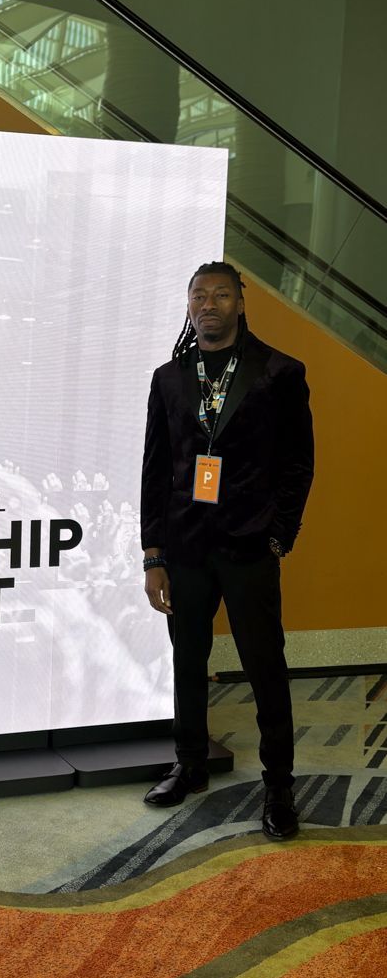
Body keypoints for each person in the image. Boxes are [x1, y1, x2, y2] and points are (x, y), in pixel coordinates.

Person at [140, 261, 314, 839]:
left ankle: (280, 785)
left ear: (240, 302)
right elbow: (157, 469)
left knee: (265, 665)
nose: (207, 303)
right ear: (188, 305)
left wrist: (278, 534)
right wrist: (153, 554)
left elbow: (298, 463)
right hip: (185, 547)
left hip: (248, 546)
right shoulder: (169, 377)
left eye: (219, 294)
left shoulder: (279, 372)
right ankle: (189, 766)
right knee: (188, 661)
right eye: (198, 295)